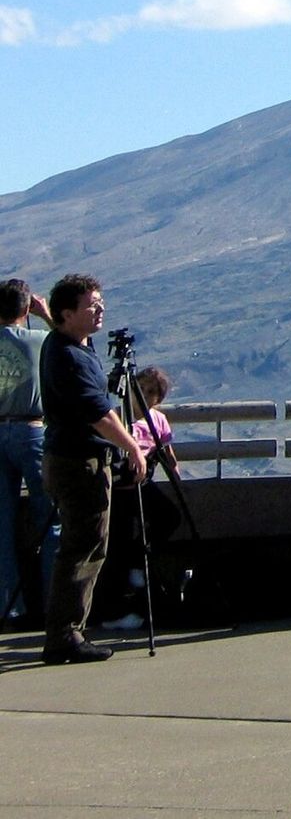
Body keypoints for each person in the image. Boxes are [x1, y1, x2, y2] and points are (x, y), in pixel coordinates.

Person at [39, 274, 147, 663]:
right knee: (83, 548)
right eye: (91, 305)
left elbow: (63, 326)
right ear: (68, 314)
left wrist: (42, 311)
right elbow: (99, 415)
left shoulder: (67, 341)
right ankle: (65, 635)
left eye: (100, 302)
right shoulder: (69, 357)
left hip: (65, 458)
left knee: (80, 545)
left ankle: (68, 631)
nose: (99, 310)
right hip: (79, 463)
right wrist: (133, 446)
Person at [100, 366, 180, 631]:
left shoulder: (158, 421)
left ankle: (139, 559)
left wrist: (173, 468)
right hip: (120, 491)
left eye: (151, 393)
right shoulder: (119, 419)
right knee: (116, 546)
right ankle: (115, 608)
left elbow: (166, 450)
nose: (145, 396)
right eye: (141, 390)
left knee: (169, 517)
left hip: (143, 487)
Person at [0, 278, 56, 624]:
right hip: (32, 430)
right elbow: (76, 346)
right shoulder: (42, 340)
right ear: (26, 309)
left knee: (2, 524)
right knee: (50, 517)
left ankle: (9, 606)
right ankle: (55, 603)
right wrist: (47, 315)